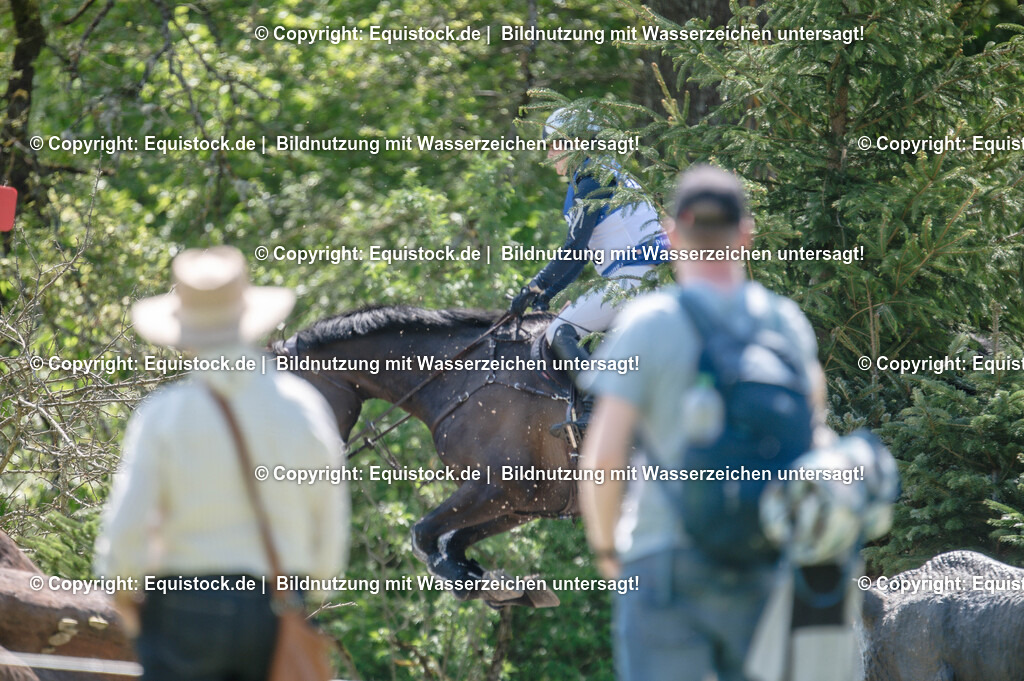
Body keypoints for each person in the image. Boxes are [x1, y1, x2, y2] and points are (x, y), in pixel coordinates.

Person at [577, 165, 829, 681]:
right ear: (746, 234)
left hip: (665, 559)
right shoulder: (786, 324)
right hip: (766, 561)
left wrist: (607, 551)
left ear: (671, 233)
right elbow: (816, 440)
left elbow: (603, 460)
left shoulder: (649, 323)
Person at [94, 246, 348, 681]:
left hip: (180, 608)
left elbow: (127, 525)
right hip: (274, 602)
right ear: (250, 322)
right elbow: (330, 522)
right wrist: (311, 592)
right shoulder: (303, 407)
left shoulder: (163, 414)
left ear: (183, 333)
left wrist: (123, 594)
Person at [508, 108, 665, 386]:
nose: (548, 155)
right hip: (642, 276)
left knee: (559, 331)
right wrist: (547, 295)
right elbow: (581, 256)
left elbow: (574, 246)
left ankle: (595, 407)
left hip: (633, 278)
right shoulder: (596, 172)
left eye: (552, 146)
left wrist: (534, 286)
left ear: (572, 142)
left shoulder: (593, 176)